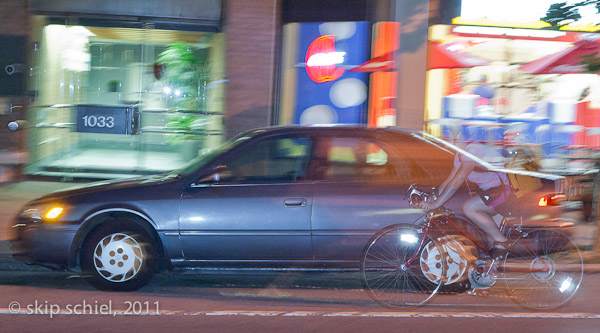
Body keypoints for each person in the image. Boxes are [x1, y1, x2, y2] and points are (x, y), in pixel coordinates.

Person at [419, 142, 512, 256]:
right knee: (486, 237)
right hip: (488, 192)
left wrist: (436, 203)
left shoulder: (473, 150)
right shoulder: (459, 155)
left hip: (502, 190)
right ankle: (493, 268)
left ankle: (503, 241)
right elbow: (450, 179)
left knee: (469, 208)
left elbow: (459, 180)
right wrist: (434, 197)